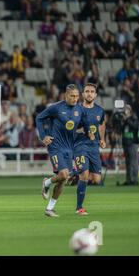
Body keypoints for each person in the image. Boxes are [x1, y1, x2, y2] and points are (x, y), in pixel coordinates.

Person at [37, 84, 90, 217]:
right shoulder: (56, 108)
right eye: (72, 96)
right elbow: (39, 118)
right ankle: (47, 182)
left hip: (69, 147)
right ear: (65, 95)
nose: (75, 99)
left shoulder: (80, 109)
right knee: (64, 174)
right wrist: (43, 136)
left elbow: (84, 124)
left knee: (63, 180)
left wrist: (88, 131)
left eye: (77, 96)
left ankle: (49, 208)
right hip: (55, 146)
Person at [72, 83, 106, 215]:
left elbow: (102, 124)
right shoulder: (76, 110)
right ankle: (79, 207)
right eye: (87, 91)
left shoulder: (99, 111)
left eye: (92, 91)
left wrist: (102, 139)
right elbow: (71, 128)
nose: (89, 93)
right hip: (80, 145)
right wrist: (84, 131)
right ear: (83, 94)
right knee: (85, 175)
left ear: (95, 95)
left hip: (94, 147)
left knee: (97, 179)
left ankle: (74, 173)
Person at [118, 105, 139, 186]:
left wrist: (127, 119)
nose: (125, 111)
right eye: (124, 110)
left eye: (126, 110)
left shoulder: (134, 118)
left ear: (130, 111)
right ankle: (129, 180)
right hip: (126, 143)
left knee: (133, 161)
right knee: (128, 162)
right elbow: (121, 130)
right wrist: (121, 121)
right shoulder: (125, 119)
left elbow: (135, 127)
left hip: (133, 143)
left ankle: (135, 180)